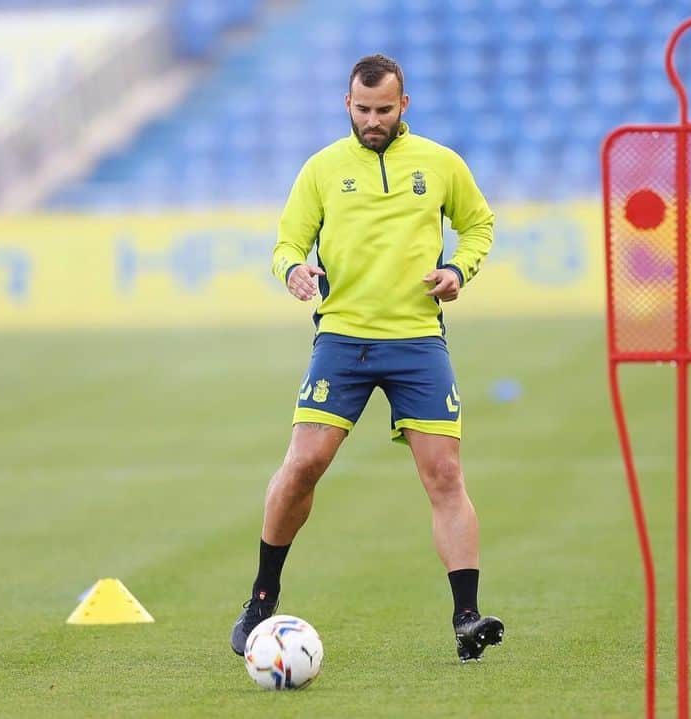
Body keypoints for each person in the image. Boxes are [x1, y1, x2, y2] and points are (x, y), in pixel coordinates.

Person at [230, 54, 503, 663]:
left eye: (384, 110)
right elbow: (286, 242)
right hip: (344, 339)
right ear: (346, 103)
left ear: (404, 104)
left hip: (417, 342)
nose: (373, 120)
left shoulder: (440, 163)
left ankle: (466, 617)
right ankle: (261, 597)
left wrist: (460, 268)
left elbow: (479, 225)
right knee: (303, 465)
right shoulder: (323, 169)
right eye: (363, 109)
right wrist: (294, 270)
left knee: (446, 476)